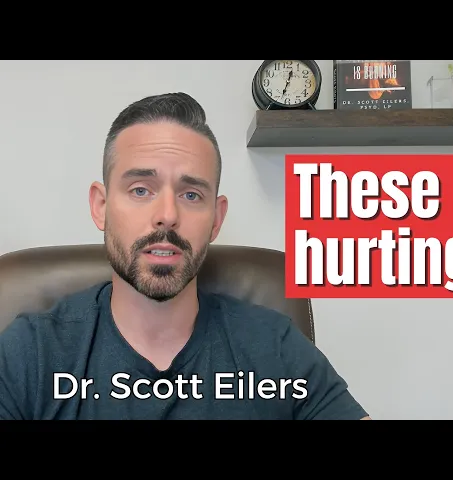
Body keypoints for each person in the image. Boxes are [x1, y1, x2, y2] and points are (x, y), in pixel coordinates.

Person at [0, 92, 370, 420]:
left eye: (191, 195)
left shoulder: (277, 349)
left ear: (216, 219)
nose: (167, 215)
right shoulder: (29, 354)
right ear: (101, 207)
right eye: (141, 189)